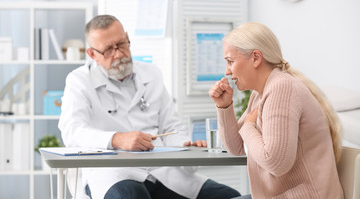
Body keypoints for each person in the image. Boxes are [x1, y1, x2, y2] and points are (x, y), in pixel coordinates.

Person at [58, 15, 241, 199]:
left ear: (128, 38)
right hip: (114, 173)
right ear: (92, 54)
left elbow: (172, 127)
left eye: (121, 44)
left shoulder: (151, 73)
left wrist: (186, 146)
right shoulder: (79, 81)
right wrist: (116, 139)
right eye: (108, 50)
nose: (119, 54)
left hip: (161, 171)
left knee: (229, 196)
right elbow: (72, 131)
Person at [209, 22, 344, 199]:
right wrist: (224, 106)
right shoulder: (261, 93)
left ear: (256, 57)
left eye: (230, 61)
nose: (227, 71)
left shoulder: (282, 88)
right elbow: (236, 146)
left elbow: (276, 163)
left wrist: (248, 126)